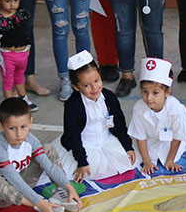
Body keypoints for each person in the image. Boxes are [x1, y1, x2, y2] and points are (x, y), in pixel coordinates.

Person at [0, 97, 80, 212]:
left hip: (23, 183)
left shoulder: (30, 139)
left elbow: (48, 166)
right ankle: (40, 207)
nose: (19, 134)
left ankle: (60, 193)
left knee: (47, 148)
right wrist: (39, 203)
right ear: (1, 126)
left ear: (30, 122)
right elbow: (14, 180)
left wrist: (68, 186)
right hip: (1, 196)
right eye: (12, 128)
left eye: (23, 127)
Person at [56, 51, 134, 181]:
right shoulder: (72, 105)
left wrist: (127, 146)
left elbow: (119, 123)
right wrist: (82, 161)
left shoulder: (109, 97)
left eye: (97, 81)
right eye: (86, 85)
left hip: (107, 140)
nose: (94, 88)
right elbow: (73, 135)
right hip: (84, 144)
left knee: (127, 162)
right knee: (83, 172)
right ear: (76, 87)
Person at [127, 57, 186, 175]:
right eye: (144, 91)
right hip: (149, 141)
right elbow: (140, 137)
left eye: (155, 93)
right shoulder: (138, 108)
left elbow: (177, 137)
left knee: (167, 159)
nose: (149, 98)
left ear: (167, 92)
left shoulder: (177, 109)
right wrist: (147, 161)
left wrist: (170, 160)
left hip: (170, 142)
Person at [0, 0, 36, 109]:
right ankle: (9, 104)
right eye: (8, 1)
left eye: (15, 0)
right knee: (8, 79)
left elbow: (25, 34)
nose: (12, 4)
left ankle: (23, 97)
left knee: (20, 76)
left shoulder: (22, 15)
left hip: (23, 53)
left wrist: (27, 50)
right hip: (7, 54)